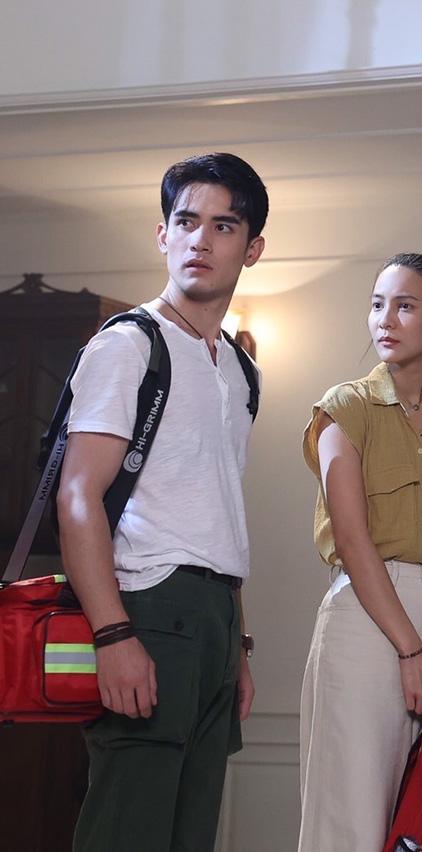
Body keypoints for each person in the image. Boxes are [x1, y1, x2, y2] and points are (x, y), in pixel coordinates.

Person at [57, 152, 268, 852]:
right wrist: (112, 634)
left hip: (214, 616)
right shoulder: (130, 345)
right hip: (146, 604)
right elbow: (79, 495)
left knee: (188, 836)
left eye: (223, 226)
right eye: (186, 221)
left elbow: (219, 509)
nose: (200, 239)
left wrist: (237, 645)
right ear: (162, 234)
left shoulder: (239, 370)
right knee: (129, 830)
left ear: (252, 248)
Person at [297, 253, 422, 852]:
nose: (385, 318)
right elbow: (352, 540)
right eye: (378, 304)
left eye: (405, 306)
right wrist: (410, 650)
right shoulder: (345, 408)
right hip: (367, 614)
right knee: (353, 818)